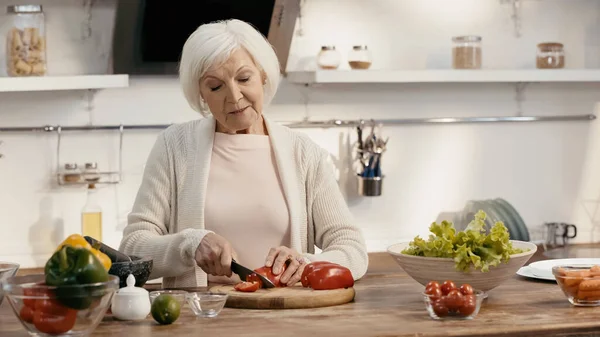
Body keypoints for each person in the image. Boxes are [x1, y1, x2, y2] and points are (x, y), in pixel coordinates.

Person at [119, 19, 368, 288]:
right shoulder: (174, 147)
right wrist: (190, 244)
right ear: (201, 94)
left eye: (244, 78)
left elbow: (351, 248)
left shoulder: (303, 153)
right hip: (199, 320)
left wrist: (305, 264)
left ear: (262, 75)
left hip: (288, 320)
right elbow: (132, 250)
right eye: (215, 87)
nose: (234, 96)